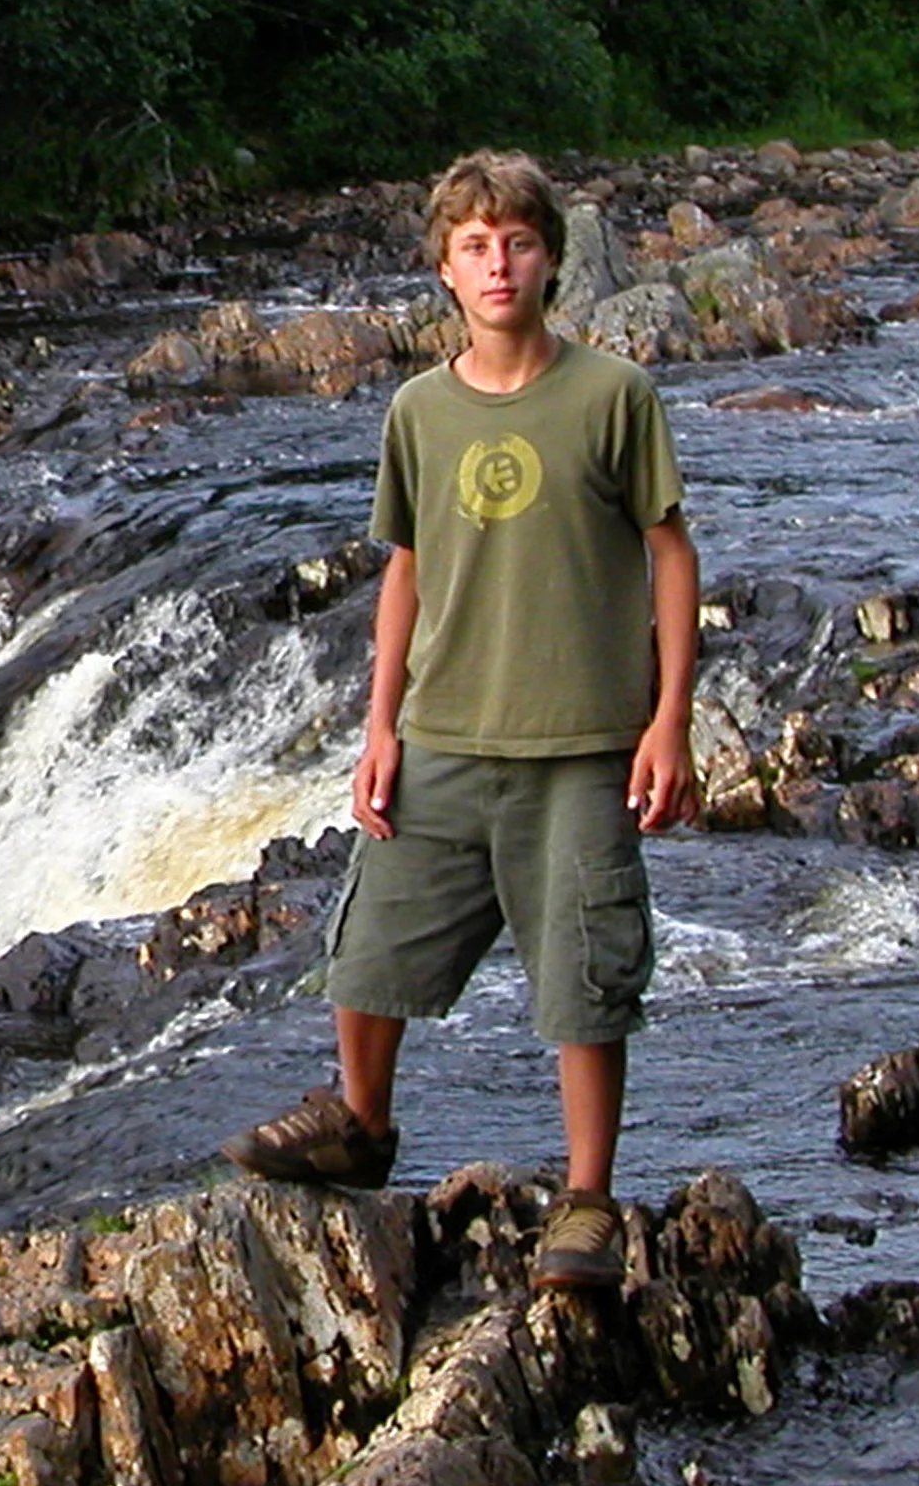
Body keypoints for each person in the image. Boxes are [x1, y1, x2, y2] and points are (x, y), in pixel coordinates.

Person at [224, 147, 701, 1292]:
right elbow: (407, 568)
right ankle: (361, 1121)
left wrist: (669, 718)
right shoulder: (419, 409)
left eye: (519, 243)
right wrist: (379, 724)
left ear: (551, 260)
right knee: (370, 943)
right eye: (476, 246)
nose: (500, 264)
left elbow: (670, 553)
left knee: (587, 974)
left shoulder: (611, 395)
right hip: (442, 730)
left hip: (580, 741)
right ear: (444, 267)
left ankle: (588, 1196)